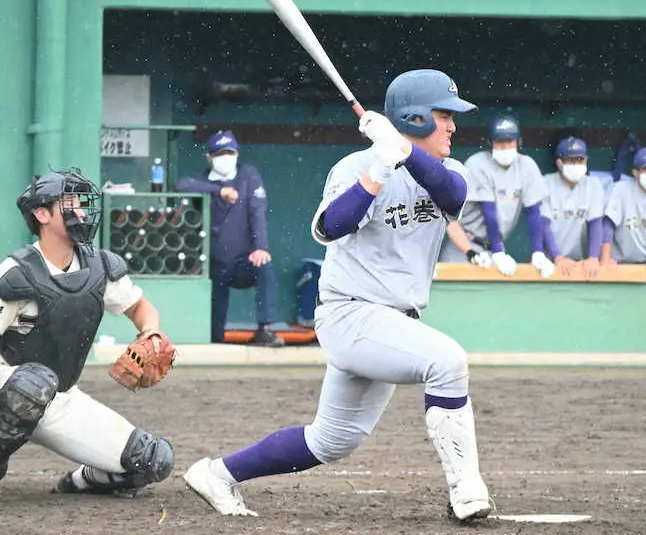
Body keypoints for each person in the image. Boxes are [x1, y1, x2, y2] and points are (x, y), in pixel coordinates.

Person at [183, 69, 492, 521]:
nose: (453, 126)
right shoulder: (352, 168)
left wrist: (403, 152)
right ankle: (467, 493)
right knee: (446, 363)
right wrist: (377, 171)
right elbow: (331, 227)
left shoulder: (450, 170)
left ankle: (217, 473)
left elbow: (452, 193)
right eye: (444, 116)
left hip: (395, 321)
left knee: (331, 441)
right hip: (351, 314)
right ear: (416, 117)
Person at [0, 168, 174, 495]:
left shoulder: (99, 267)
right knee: (30, 383)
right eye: (69, 204)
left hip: (59, 396)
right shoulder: (15, 275)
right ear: (41, 213)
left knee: (151, 460)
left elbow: (139, 307)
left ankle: (83, 480)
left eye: (81, 203)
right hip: (10, 385)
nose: (80, 211)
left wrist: (150, 332)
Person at [175, 131, 283, 346]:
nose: (226, 157)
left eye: (230, 152)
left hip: (244, 261)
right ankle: (216, 338)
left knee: (264, 266)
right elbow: (181, 185)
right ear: (209, 157)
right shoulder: (203, 178)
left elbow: (257, 213)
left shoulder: (248, 175)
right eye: (220, 153)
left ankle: (266, 329)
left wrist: (260, 247)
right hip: (214, 263)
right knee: (216, 326)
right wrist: (219, 191)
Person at [439, 113, 569, 278]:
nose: (504, 146)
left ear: (518, 142)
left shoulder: (526, 165)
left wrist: (538, 252)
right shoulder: (478, 163)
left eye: (509, 141)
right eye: (499, 141)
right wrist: (486, 252)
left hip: (494, 248)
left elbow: (534, 212)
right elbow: (488, 212)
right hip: (465, 247)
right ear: (490, 143)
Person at [541, 136, 604, 279]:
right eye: (570, 160)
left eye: (580, 159)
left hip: (581, 262)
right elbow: (543, 224)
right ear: (559, 162)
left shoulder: (593, 185)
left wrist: (593, 257)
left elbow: (596, 223)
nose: (576, 164)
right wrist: (557, 257)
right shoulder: (545, 183)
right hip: (549, 261)